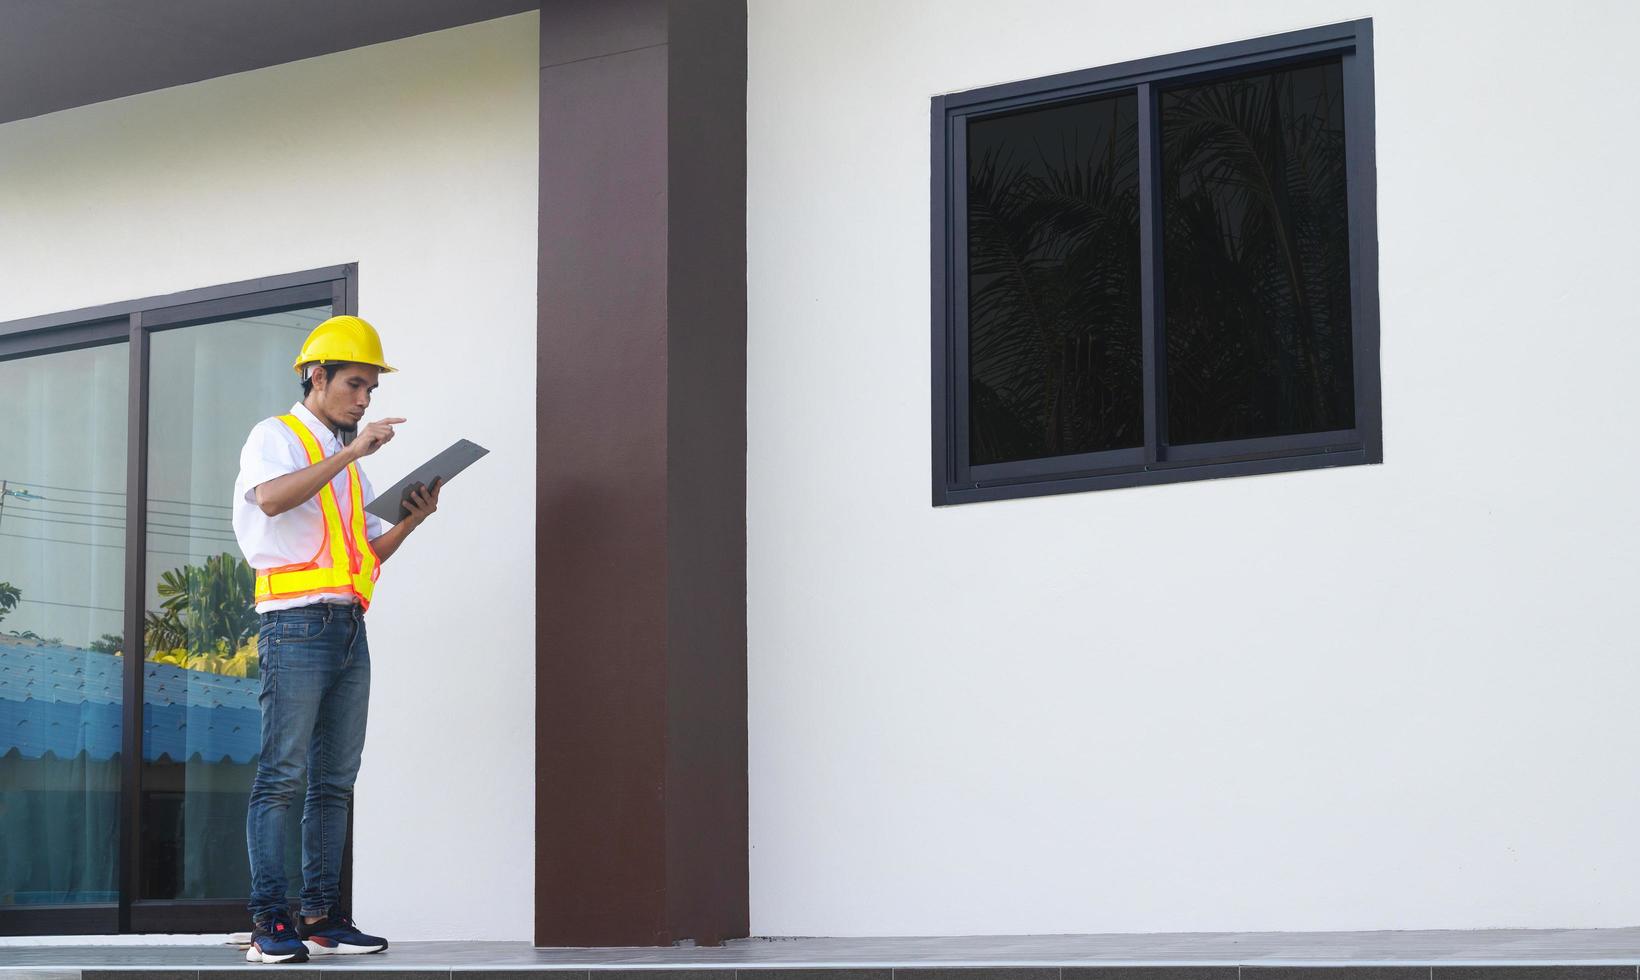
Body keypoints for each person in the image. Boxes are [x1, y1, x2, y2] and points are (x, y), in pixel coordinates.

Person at [230, 314, 441, 964]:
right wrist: (350, 451)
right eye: (355, 384)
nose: (364, 399)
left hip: (348, 625)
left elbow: (365, 555)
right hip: (293, 625)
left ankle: (323, 918)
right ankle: (272, 923)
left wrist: (413, 520)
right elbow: (268, 500)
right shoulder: (279, 436)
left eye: (371, 389)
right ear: (316, 377)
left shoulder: (349, 470)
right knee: (283, 776)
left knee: (335, 781)